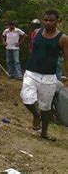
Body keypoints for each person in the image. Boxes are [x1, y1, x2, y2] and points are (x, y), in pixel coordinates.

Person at [20, 9, 68, 141]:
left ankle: (44, 132)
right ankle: (36, 116)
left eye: (51, 20)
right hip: (31, 72)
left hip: (48, 76)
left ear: (58, 21)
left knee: (45, 106)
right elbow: (33, 49)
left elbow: (66, 58)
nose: (48, 22)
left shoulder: (63, 38)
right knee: (26, 97)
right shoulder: (36, 33)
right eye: (45, 20)